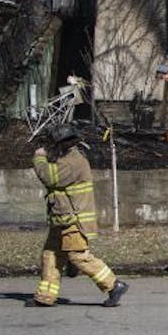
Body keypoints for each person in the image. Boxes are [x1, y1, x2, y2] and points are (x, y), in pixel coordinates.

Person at [30, 124, 128, 308]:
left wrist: (39, 157)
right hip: (62, 219)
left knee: (78, 257)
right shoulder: (66, 156)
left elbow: (49, 177)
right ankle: (45, 297)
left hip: (74, 220)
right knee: (50, 255)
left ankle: (114, 286)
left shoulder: (72, 161)